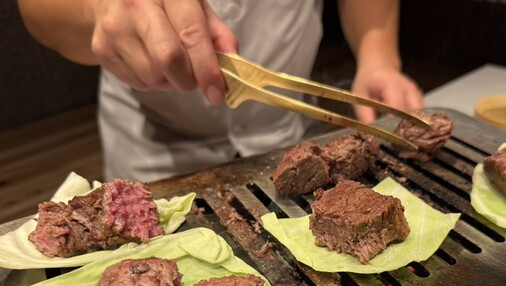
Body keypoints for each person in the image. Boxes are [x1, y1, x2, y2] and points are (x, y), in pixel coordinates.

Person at [17, 0, 424, 182]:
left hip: (286, 138)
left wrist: (378, 55)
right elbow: (37, 11)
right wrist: (98, 7)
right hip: (154, 148)